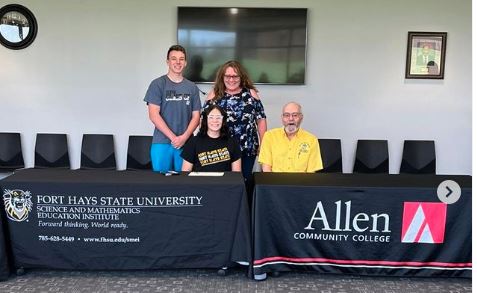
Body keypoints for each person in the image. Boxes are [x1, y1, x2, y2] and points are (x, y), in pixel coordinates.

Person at [204, 60, 267, 181]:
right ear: (222, 77)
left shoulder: (250, 94)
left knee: (244, 180)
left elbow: (261, 119)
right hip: (220, 148)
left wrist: (263, 143)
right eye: (227, 76)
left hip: (247, 148)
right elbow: (205, 121)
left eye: (235, 76)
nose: (231, 80)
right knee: (223, 182)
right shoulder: (214, 94)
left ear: (241, 77)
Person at [143, 45, 201, 173]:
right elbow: (154, 115)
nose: (177, 62)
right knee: (160, 185)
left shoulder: (192, 87)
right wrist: (174, 138)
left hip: (186, 144)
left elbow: (196, 116)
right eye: (174, 59)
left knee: (185, 184)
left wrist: (184, 138)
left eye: (181, 59)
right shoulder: (157, 84)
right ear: (167, 61)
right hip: (162, 143)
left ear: (185, 63)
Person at [258, 102, 323, 172]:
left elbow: (311, 172)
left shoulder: (311, 140)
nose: (291, 118)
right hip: (275, 181)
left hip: (302, 182)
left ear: (301, 117)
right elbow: (266, 169)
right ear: (282, 118)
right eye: (287, 115)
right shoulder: (269, 136)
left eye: (295, 115)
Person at [181, 105, 241, 172]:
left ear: (223, 120)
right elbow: (185, 172)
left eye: (218, 118)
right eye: (211, 117)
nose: (215, 121)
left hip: (224, 182)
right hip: (199, 182)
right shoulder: (193, 142)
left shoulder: (232, 142)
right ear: (205, 120)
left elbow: (236, 174)